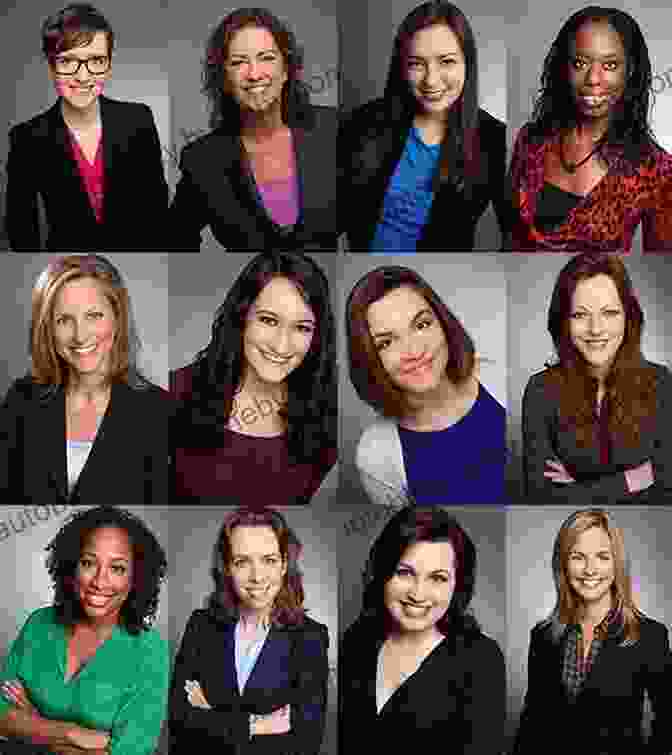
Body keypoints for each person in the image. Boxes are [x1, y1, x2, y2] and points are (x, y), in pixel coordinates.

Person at [0, 254, 170, 507]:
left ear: (118, 317)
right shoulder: (20, 400)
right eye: (64, 320)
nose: (80, 336)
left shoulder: (159, 410)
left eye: (94, 315)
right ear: (47, 327)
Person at [338, 1, 507, 252]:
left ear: (467, 63)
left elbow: (515, 235)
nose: (431, 80)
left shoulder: (495, 139)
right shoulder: (363, 122)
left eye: (446, 61)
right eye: (417, 63)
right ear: (402, 67)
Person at [0, 506, 170, 755]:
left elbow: (132, 750)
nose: (100, 582)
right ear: (72, 566)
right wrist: (71, 733)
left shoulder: (149, 648)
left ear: (136, 578)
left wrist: (33, 722)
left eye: (117, 568)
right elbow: (2, 715)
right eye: (89, 563)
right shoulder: (39, 624)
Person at [171, 251, 336, 505]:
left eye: (302, 328)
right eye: (268, 320)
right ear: (241, 317)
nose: (282, 346)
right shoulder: (174, 394)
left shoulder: (328, 417)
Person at [168, 7, 337, 252]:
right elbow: (176, 239)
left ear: (287, 69)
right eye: (238, 62)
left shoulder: (332, 130)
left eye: (266, 57)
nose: (254, 74)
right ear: (224, 78)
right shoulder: (202, 160)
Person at [4, 3, 168, 251]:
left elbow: (156, 207)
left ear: (109, 65)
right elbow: (21, 227)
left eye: (96, 60)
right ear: (51, 65)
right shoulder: (27, 138)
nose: (83, 76)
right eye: (68, 61)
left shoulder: (138, 119)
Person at [340, 506, 505, 752]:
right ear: (383, 573)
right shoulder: (357, 640)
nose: (418, 594)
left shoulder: (481, 658)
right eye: (404, 572)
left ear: (457, 585)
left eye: (437, 578)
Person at [507, 6, 672, 252]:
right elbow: (509, 234)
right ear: (564, 67)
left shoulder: (656, 170)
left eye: (610, 65)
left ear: (631, 71)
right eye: (580, 62)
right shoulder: (531, 139)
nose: (593, 79)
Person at [169, 507, 329, 754]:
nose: (257, 576)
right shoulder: (201, 626)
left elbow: (306, 742)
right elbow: (180, 722)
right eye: (242, 562)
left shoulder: (311, 638)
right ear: (227, 568)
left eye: (269, 560)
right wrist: (258, 724)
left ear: (285, 565)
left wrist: (212, 715)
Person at [513, 509, 671, 753]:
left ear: (617, 563)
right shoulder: (543, 635)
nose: (590, 569)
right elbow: (532, 719)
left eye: (602, 557)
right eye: (578, 556)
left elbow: (668, 722)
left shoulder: (649, 636)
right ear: (563, 563)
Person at [347, 265, 507, 506]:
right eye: (386, 342)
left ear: (443, 324)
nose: (413, 351)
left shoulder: (499, 377)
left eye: (421, 325)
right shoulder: (375, 454)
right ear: (369, 359)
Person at [522, 252, 672, 504]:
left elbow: (667, 484)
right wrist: (634, 478)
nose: (596, 329)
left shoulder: (660, 382)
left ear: (628, 317)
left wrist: (581, 486)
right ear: (563, 321)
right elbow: (542, 495)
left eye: (609, 312)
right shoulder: (540, 390)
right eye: (579, 315)